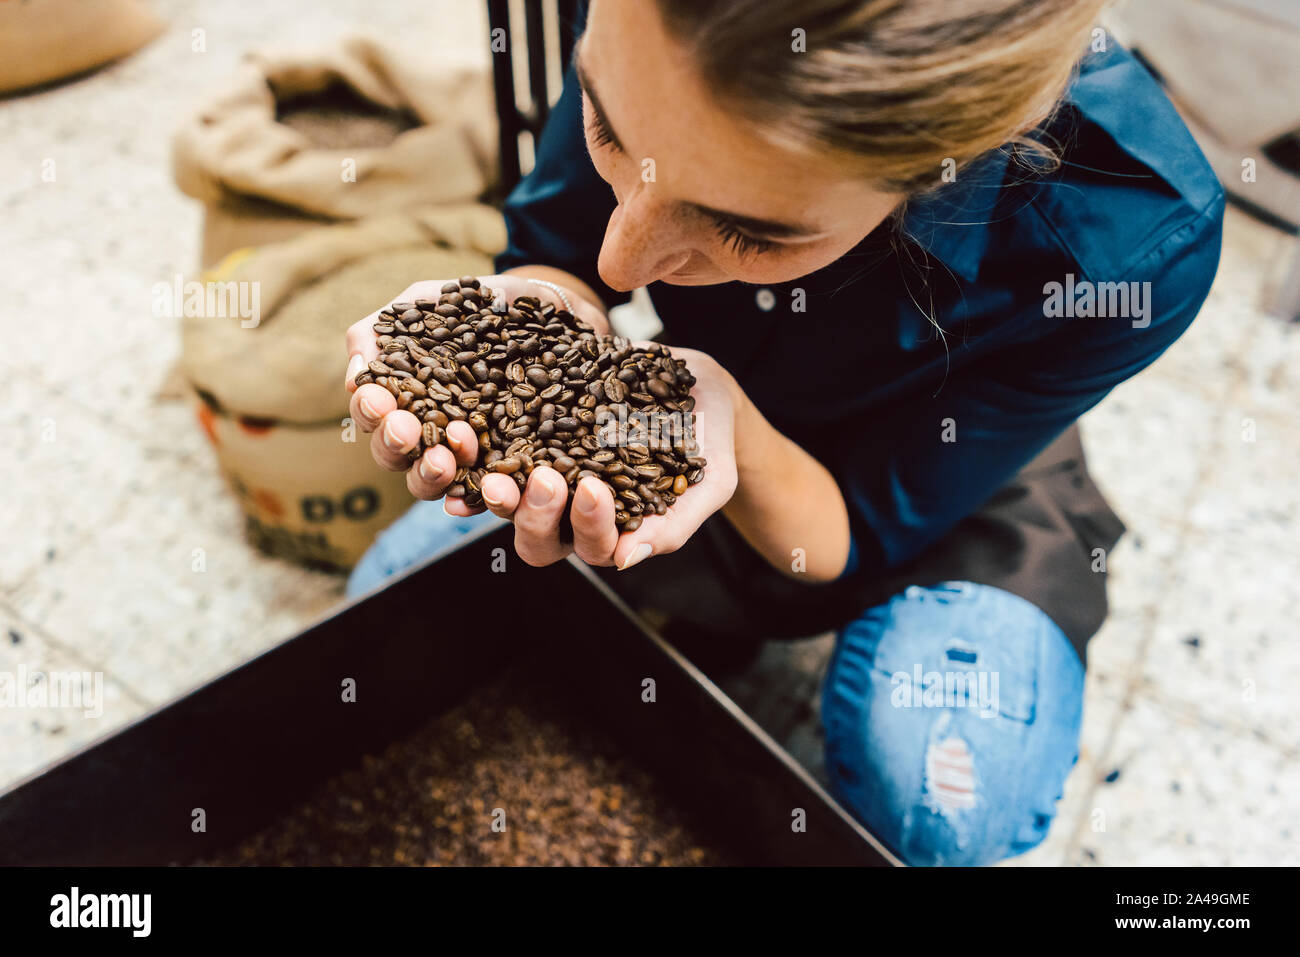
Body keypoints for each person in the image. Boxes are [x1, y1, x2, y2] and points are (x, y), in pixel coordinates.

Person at [342, 0, 1224, 865]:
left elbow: (853, 532)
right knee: (387, 606)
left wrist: (741, 432)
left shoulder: (1137, 237)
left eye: (746, 229)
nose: (625, 259)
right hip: (673, 411)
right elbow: (572, 262)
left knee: (938, 810)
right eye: (612, 130)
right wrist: (543, 316)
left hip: (950, 478)